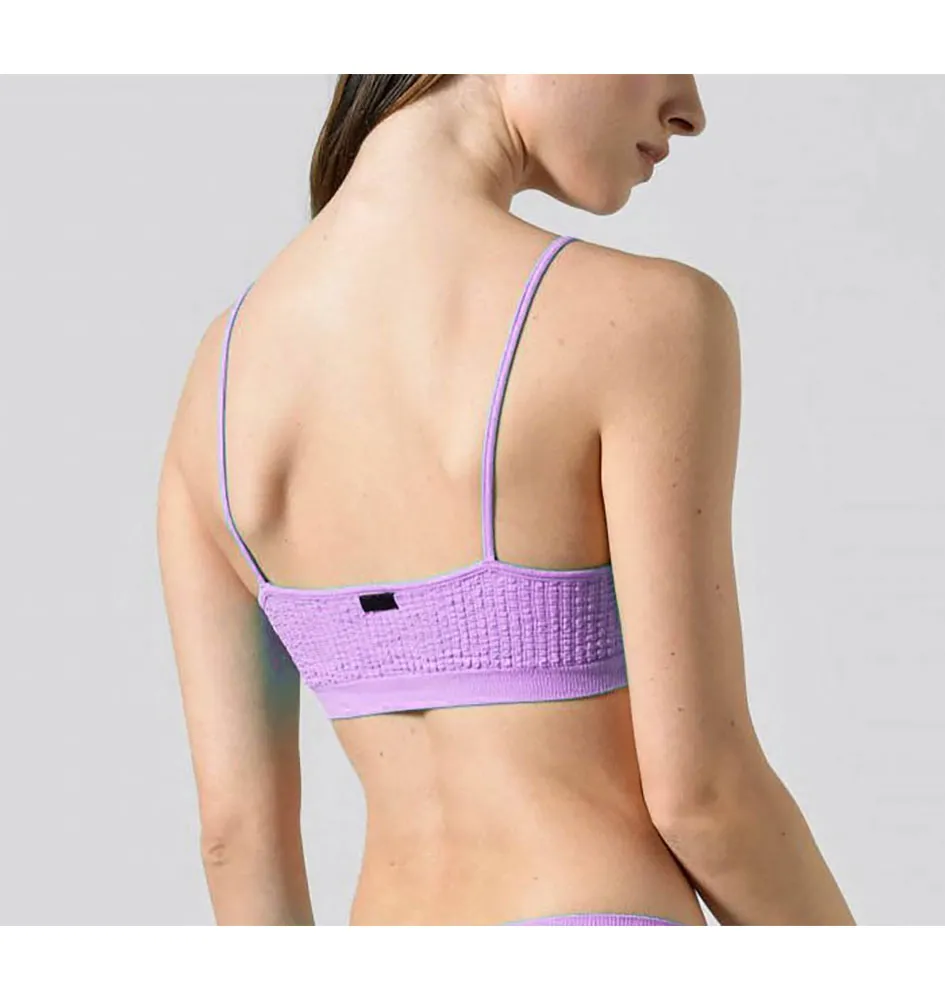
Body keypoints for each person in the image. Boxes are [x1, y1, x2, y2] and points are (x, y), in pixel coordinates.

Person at [156, 74, 856, 926]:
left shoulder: (215, 388)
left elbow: (237, 840)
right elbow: (704, 795)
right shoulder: (644, 320)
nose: (690, 109)